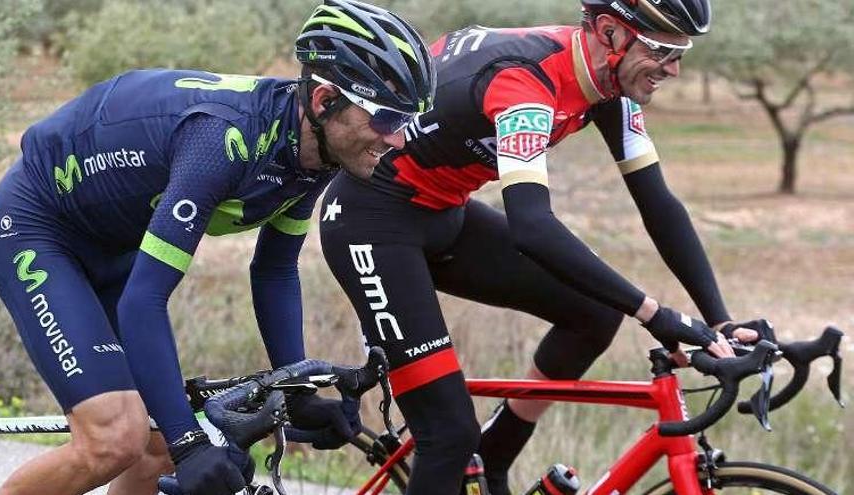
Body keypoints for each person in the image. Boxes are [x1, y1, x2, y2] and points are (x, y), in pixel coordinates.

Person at [318, 0, 776, 493]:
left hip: (442, 212)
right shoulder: (524, 83)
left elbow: (659, 205)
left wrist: (718, 318)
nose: (675, 69)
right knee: (448, 435)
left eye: (681, 53)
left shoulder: (608, 85)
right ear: (609, 32)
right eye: (663, 51)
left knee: (595, 313)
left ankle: (493, 458)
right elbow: (533, 228)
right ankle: (467, 451)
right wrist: (656, 313)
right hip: (371, 224)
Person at [0, 1, 435, 494]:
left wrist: (297, 389)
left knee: (153, 448)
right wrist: (190, 445)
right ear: (325, 100)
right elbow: (143, 300)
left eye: (408, 120)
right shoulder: (222, 142)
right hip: (38, 225)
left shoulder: (313, 153)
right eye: (388, 118)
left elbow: (275, 270)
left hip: (112, 242)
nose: (398, 139)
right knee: (115, 437)